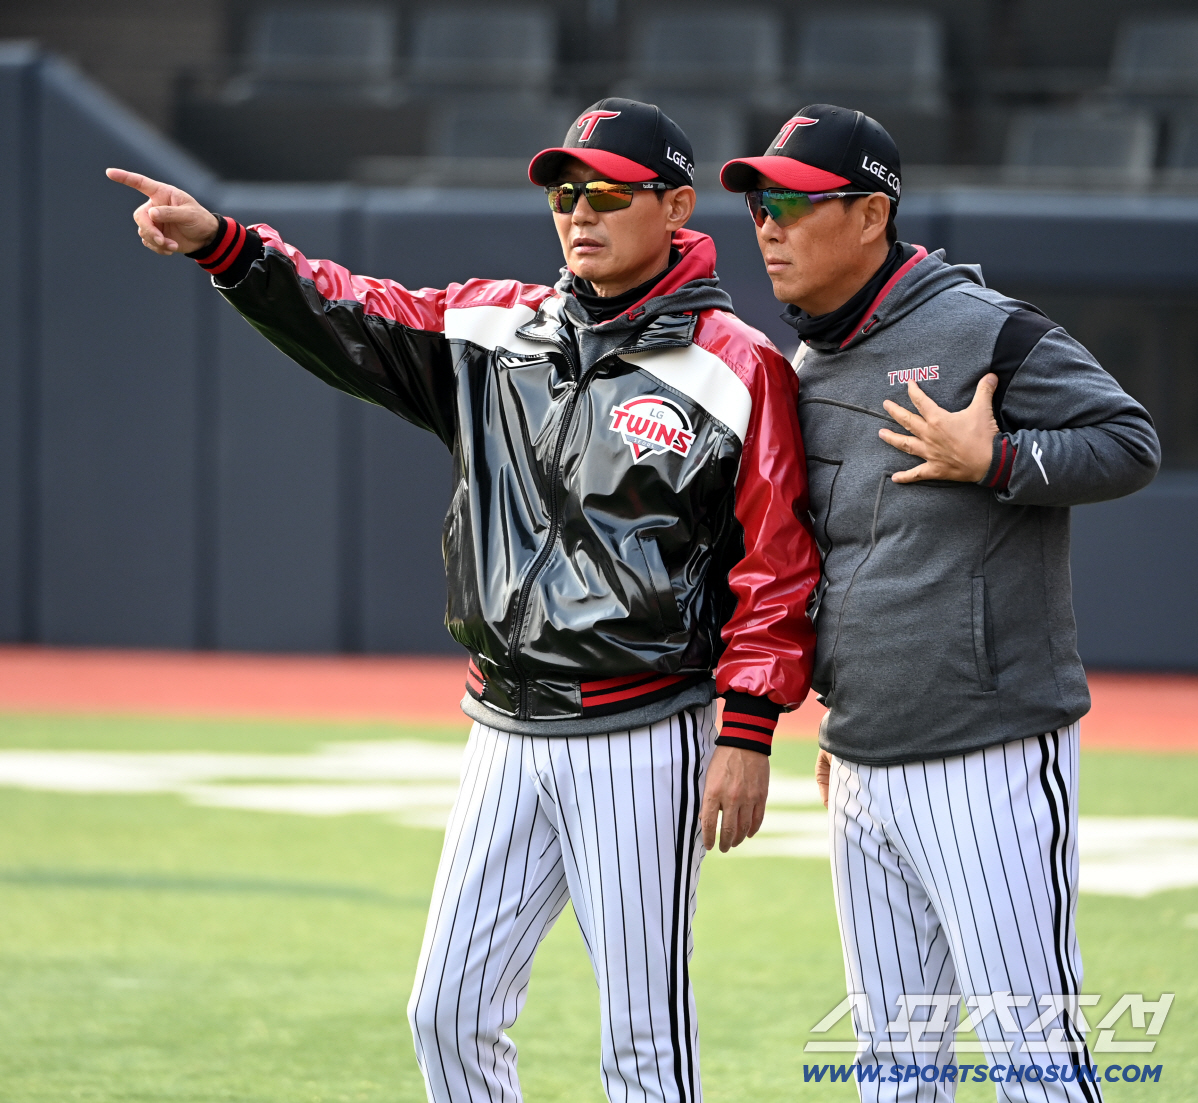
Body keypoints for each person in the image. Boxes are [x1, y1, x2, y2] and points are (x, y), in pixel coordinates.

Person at [108, 98, 820, 1103]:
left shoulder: (740, 366)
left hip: (643, 728)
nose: (579, 212)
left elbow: (779, 568)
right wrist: (227, 248)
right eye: (565, 193)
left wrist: (748, 729)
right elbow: (347, 308)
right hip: (502, 721)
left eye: (608, 193)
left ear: (676, 207)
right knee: (444, 1009)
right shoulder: (496, 327)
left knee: (644, 1041)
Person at [721, 104, 1160, 1101]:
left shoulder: (983, 328)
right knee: (895, 1072)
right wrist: (839, 704)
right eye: (758, 207)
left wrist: (997, 457)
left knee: (1034, 1062)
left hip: (993, 751)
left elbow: (1129, 443)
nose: (770, 226)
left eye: (794, 202)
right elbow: (836, 555)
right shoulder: (809, 362)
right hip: (866, 759)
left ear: (873, 214)